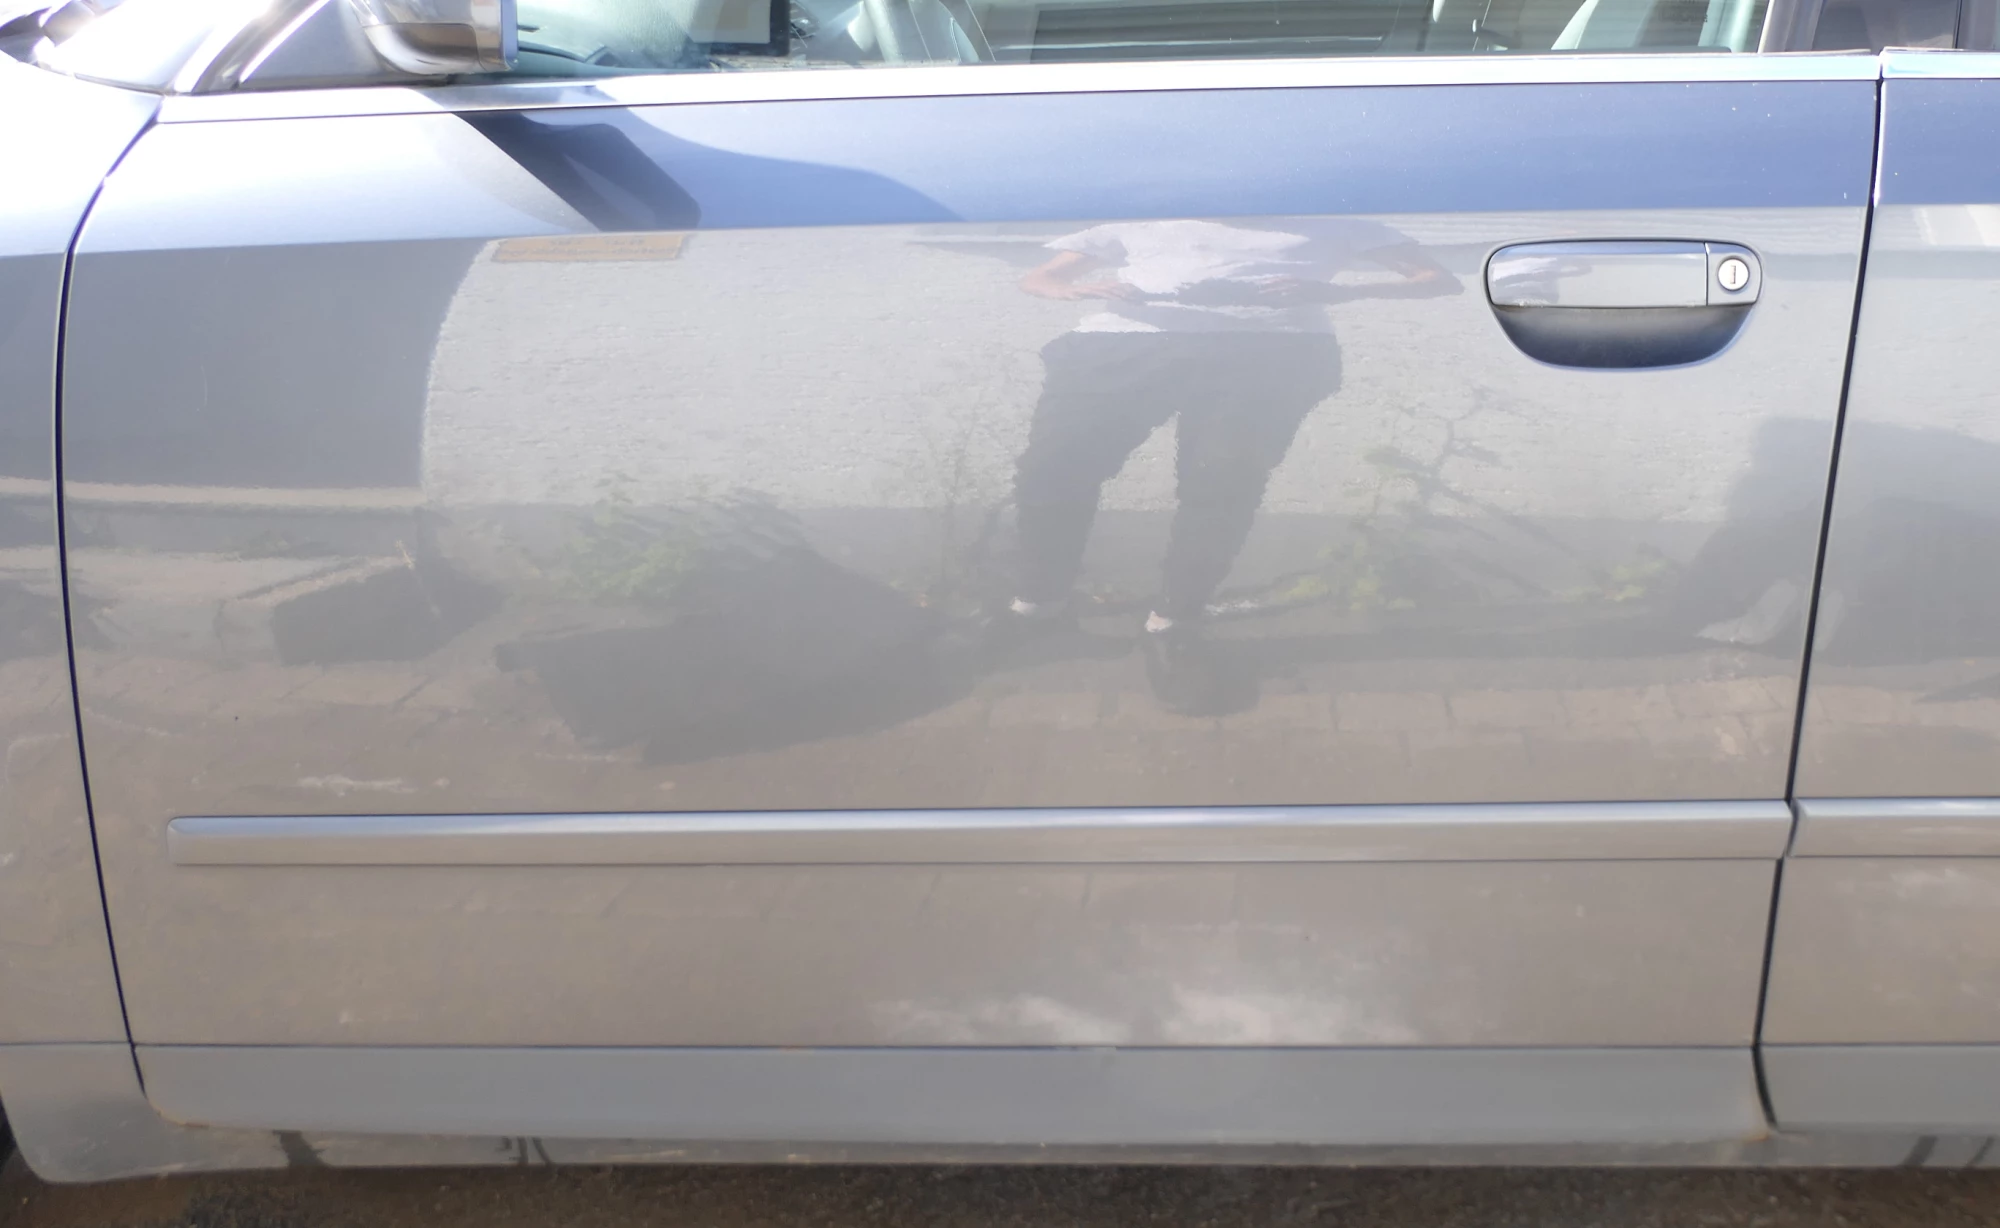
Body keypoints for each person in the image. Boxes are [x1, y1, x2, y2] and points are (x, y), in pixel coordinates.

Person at [992, 216, 1456, 712]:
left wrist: (1336, 292)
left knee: (1222, 484)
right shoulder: (1145, 208)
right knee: (1052, 469)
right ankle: (1037, 609)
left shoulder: (1334, 215)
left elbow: (1437, 280)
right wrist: (1068, 290)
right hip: (1123, 342)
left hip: (1271, 349)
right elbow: (1040, 277)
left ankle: (1173, 625)